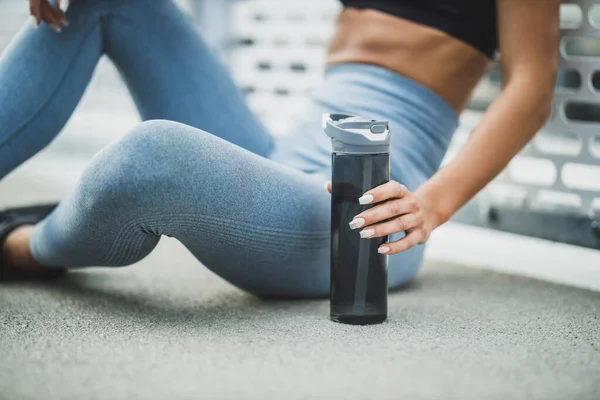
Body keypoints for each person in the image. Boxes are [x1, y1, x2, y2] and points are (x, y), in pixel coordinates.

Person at [0, 0, 559, 296]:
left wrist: (432, 205)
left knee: (153, 157)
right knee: (106, 2)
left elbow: (532, 86)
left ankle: (19, 246)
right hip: (284, 164)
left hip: (367, 210)